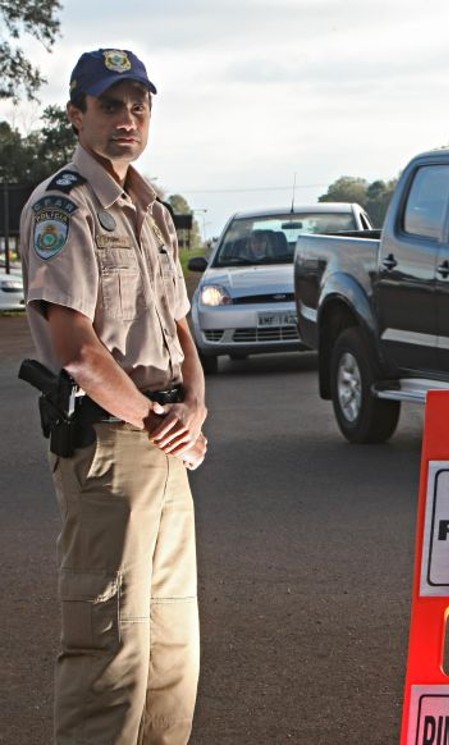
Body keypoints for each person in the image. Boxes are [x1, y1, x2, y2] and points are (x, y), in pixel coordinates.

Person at [19, 48, 207, 744]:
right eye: (110, 104)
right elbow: (78, 351)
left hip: (164, 440)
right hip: (109, 446)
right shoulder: (61, 207)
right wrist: (162, 420)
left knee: (171, 654)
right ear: (77, 114)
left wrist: (196, 406)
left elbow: (181, 326)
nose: (128, 117)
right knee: (110, 650)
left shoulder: (154, 210)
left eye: (139, 104)